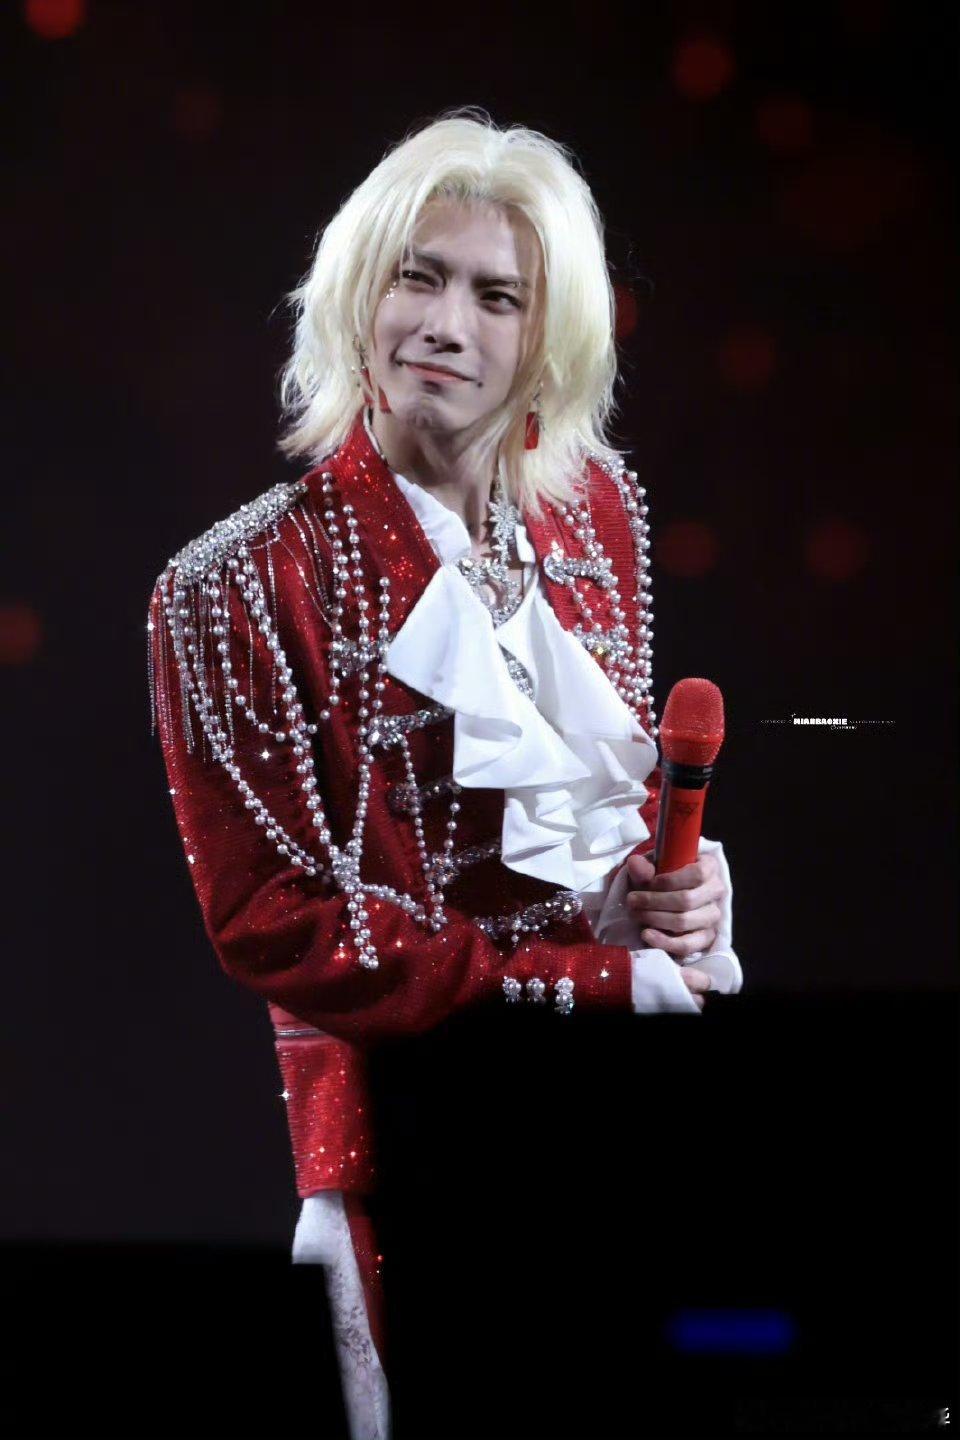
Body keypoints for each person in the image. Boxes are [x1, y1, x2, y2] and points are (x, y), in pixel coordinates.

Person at [147, 108, 742, 1440]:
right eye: (417, 278)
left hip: (627, 1126)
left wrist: (672, 896)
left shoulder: (597, 515)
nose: (444, 325)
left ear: (548, 339)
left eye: (496, 296)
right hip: (411, 1157)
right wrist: (583, 980)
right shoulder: (232, 585)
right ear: (361, 295)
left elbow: (591, 822)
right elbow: (275, 922)